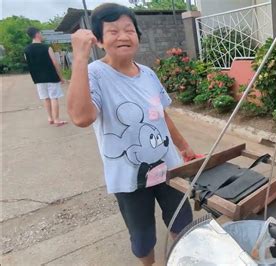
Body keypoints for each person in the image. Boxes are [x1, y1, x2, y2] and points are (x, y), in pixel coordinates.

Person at [67, 3, 195, 265]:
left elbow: (162, 114)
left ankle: (182, 259)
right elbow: (81, 117)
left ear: (137, 35)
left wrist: (184, 147)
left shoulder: (147, 73)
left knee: (183, 221)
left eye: (129, 30)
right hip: (129, 178)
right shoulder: (94, 74)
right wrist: (79, 58)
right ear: (99, 41)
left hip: (168, 166)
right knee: (143, 236)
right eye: (113, 31)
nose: (123, 36)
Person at [24, 27, 67, 126]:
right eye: (41, 33)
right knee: (54, 98)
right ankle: (57, 119)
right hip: (51, 76)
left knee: (46, 98)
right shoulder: (47, 47)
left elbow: (29, 63)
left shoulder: (26, 50)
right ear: (37, 34)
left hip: (38, 78)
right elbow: (55, 62)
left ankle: (50, 118)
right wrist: (61, 77)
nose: (42, 35)